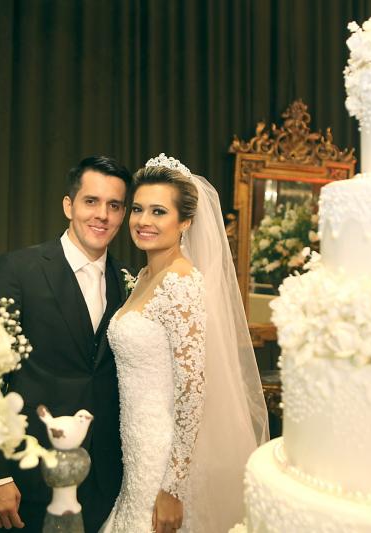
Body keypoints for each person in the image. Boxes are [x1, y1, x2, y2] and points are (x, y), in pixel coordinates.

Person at [101, 154, 269, 533]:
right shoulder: (146, 276)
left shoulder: (181, 283)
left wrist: (172, 488)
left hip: (164, 458)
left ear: (185, 222)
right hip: (137, 448)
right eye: (138, 209)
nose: (143, 221)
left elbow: (193, 391)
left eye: (159, 212)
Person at [0, 155, 132, 533]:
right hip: (29, 477)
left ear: (123, 214)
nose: (103, 215)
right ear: (68, 205)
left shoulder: (127, 282)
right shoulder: (18, 269)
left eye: (114, 205)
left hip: (106, 481)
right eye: (91, 201)